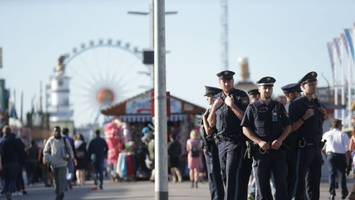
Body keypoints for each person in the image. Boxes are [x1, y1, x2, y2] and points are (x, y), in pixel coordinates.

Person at [241, 76, 291, 200]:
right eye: (265, 88)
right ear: (259, 89)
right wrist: (258, 141)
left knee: (281, 186)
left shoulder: (278, 106)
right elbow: (245, 128)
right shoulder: (252, 107)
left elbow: (288, 126)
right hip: (260, 153)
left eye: (270, 88)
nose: (268, 90)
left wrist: (280, 140)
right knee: (262, 188)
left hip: (278, 152)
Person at [207, 70, 250, 200]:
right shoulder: (216, 98)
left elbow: (246, 119)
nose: (226, 83)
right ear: (219, 83)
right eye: (223, 81)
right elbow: (210, 123)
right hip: (221, 142)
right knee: (225, 174)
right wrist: (214, 108)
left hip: (235, 141)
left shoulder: (240, 96)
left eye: (229, 80)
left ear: (233, 81)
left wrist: (232, 106)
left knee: (231, 173)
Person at [288, 71, 326, 200]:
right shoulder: (296, 104)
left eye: (315, 83)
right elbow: (291, 128)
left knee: (315, 181)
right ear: (303, 86)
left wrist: (323, 116)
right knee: (299, 182)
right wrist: (304, 117)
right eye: (310, 84)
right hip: (302, 148)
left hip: (316, 147)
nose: (314, 86)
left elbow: (318, 124)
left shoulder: (316, 103)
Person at [201, 85, 224, 199]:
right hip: (208, 148)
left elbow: (209, 131)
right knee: (211, 176)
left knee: (214, 175)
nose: (207, 98)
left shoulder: (215, 111)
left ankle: (217, 197)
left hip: (213, 147)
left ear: (215, 97)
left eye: (209, 96)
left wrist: (204, 119)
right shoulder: (210, 110)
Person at [281, 83, 302, 199]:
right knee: (292, 177)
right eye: (297, 93)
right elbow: (291, 127)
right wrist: (304, 118)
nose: (299, 95)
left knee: (291, 177)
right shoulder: (291, 107)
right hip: (291, 147)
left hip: (290, 146)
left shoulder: (287, 106)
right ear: (290, 94)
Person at [43, 126, 74, 200]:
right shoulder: (51, 140)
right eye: (55, 131)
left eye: (58, 131)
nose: (56, 132)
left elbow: (70, 149)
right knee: (55, 180)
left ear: (60, 131)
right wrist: (50, 159)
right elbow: (45, 151)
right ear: (53, 132)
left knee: (61, 179)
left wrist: (70, 157)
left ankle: (60, 194)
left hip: (63, 163)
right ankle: (58, 192)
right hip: (53, 164)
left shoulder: (64, 140)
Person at [322, 119, 349, 199]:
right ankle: (344, 193)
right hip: (341, 156)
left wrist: (327, 156)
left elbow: (322, 148)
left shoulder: (326, 134)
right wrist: (347, 161)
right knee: (342, 175)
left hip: (331, 155)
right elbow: (347, 150)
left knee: (332, 174)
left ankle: (332, 193)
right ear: (339, 125)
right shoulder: (343, 135)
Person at [0, 126, 23, 200]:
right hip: (14, 162)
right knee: (12, 178)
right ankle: (10, 191)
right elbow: (21, 150)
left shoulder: (2, 141)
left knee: (6, 179)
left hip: (5, 162)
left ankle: (7, 191)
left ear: (4, 132)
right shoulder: (16, 139)